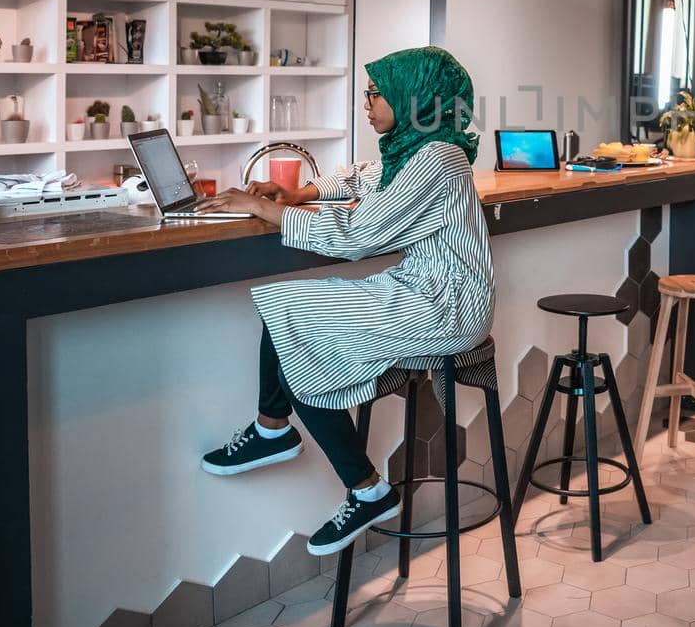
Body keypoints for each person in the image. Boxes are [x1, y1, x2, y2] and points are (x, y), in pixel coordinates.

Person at [196, 47, 492, 556]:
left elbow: (358, 234)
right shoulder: (417, 148)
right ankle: (282, 434)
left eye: (376, 95)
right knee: (285, 303)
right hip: (423, 290)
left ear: (412, 98)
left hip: (448, 306)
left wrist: (264, 211)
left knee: (290, 313)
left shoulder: (438, 159)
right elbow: (362, 176)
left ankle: (352, 480)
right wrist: (297, 193)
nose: (367, 104)